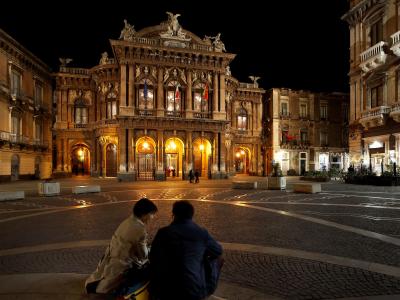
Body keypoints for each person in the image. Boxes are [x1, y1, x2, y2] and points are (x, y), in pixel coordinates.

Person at [150, 200, 223, 300]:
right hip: (193, 288)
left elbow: (152, 256)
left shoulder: (163, 233)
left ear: (173, 214)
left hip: (165, 288)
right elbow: (218, 251)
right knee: (218, 258)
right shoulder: (201, 233)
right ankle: (207, 285)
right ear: (192, 215)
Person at [85, 198, 158, 295]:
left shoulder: (127, 221)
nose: (152, 217)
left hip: (109, 261)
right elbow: (144, 256)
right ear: (145, 214)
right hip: (122, 267)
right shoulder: (140, 230)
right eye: (152, 214)